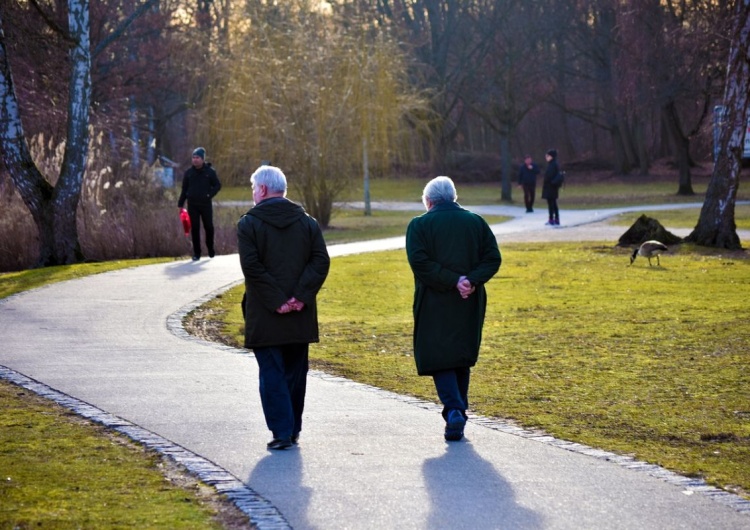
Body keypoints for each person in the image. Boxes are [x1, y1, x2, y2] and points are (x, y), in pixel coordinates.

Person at [237, 165, 330, 450]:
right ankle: (292, 428)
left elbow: (252, 267)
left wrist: (278, 301)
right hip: (300, 315)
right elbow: (320, 261)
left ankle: (282, 431)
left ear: (262, 190)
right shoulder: (308, 223)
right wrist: (299, 297)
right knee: (294, 372)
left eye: (254, 188)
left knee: (272, 373)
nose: (253, 193)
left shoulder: (248, 224)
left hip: (265, 314)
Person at [405, 176, 501, 442]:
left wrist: (452, 280)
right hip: (468, 299)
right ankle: (457, 410)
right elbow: (492, 258)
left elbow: (420, 262)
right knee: (460, 354)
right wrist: (470, 280)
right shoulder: (476, 222)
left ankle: (455, 409)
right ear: (454, 197)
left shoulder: (419, 225)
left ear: (429, 201)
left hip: (434, 301)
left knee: (439, 356)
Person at [178, 147, 222, 260]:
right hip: (192, 205)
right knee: (195, 228)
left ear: (202, 159)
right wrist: (180, 204)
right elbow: (184, 189)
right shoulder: (188, 173)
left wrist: (209, 195)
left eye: (197, 157)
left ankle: (210, 248)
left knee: (209, 227)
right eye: (193, 157)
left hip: (206, 204)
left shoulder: (210, 172)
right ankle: (197, 253)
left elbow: (217, 185)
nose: (195, 160)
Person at [542, 148, 561, 226]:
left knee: (551, 204)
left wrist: (548, 182)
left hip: (551, 187)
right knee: (553, 203)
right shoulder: (553, 164)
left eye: (548, 155)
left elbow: (549, 176)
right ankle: (556, 219)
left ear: (551, 156)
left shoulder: (552, 165)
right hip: (552, 187)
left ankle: (552, 219)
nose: (546, 157)